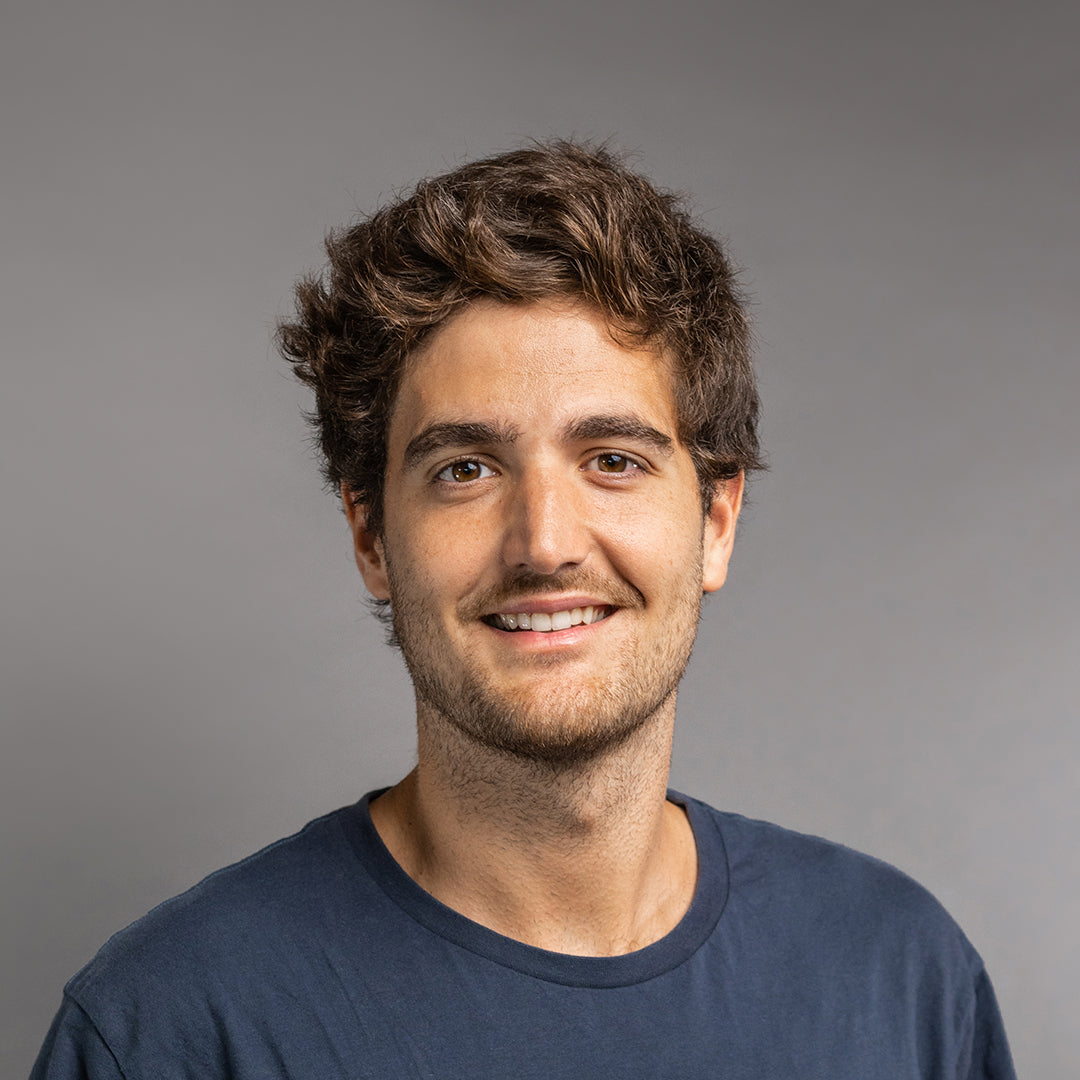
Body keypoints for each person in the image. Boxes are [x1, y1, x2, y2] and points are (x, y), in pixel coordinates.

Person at [30, 142, 1016, 1078]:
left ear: (716, 521)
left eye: (613, 460)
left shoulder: (900, 978)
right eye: (465, 469)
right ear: (371, 537)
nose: (544, 543)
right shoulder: (173, 1030)